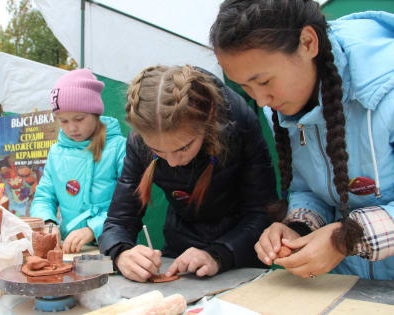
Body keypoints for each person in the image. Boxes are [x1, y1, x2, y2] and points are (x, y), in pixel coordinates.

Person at [210, 0, 394, 280]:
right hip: (350, 284)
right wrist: (299, 227)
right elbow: (308, 187)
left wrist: (345, 239)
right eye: (246, 87)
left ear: (308, 43)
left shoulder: (387, 88)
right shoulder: (282, 105)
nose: (261, 100)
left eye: (264, 81)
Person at [99, 65, 277, 282]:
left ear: (208, 121)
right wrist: (121, 253)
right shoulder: (139, 140)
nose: (173, 162)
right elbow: (119, 220)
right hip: (180, 255)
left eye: (183, 148)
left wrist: (218, 254)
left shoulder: (239, 122)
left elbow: (262, 212)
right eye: (157, 151)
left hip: (241, 254)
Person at [30, 68, 126, 254]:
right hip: (73, 250)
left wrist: (94, 228)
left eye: (79, 119)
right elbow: (44, 197)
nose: (72, 128)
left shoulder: (118, 148)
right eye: (63, 121)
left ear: (95, 113)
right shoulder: (56, 153)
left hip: (117, 245)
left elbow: (129, 204)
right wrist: (48, 223)